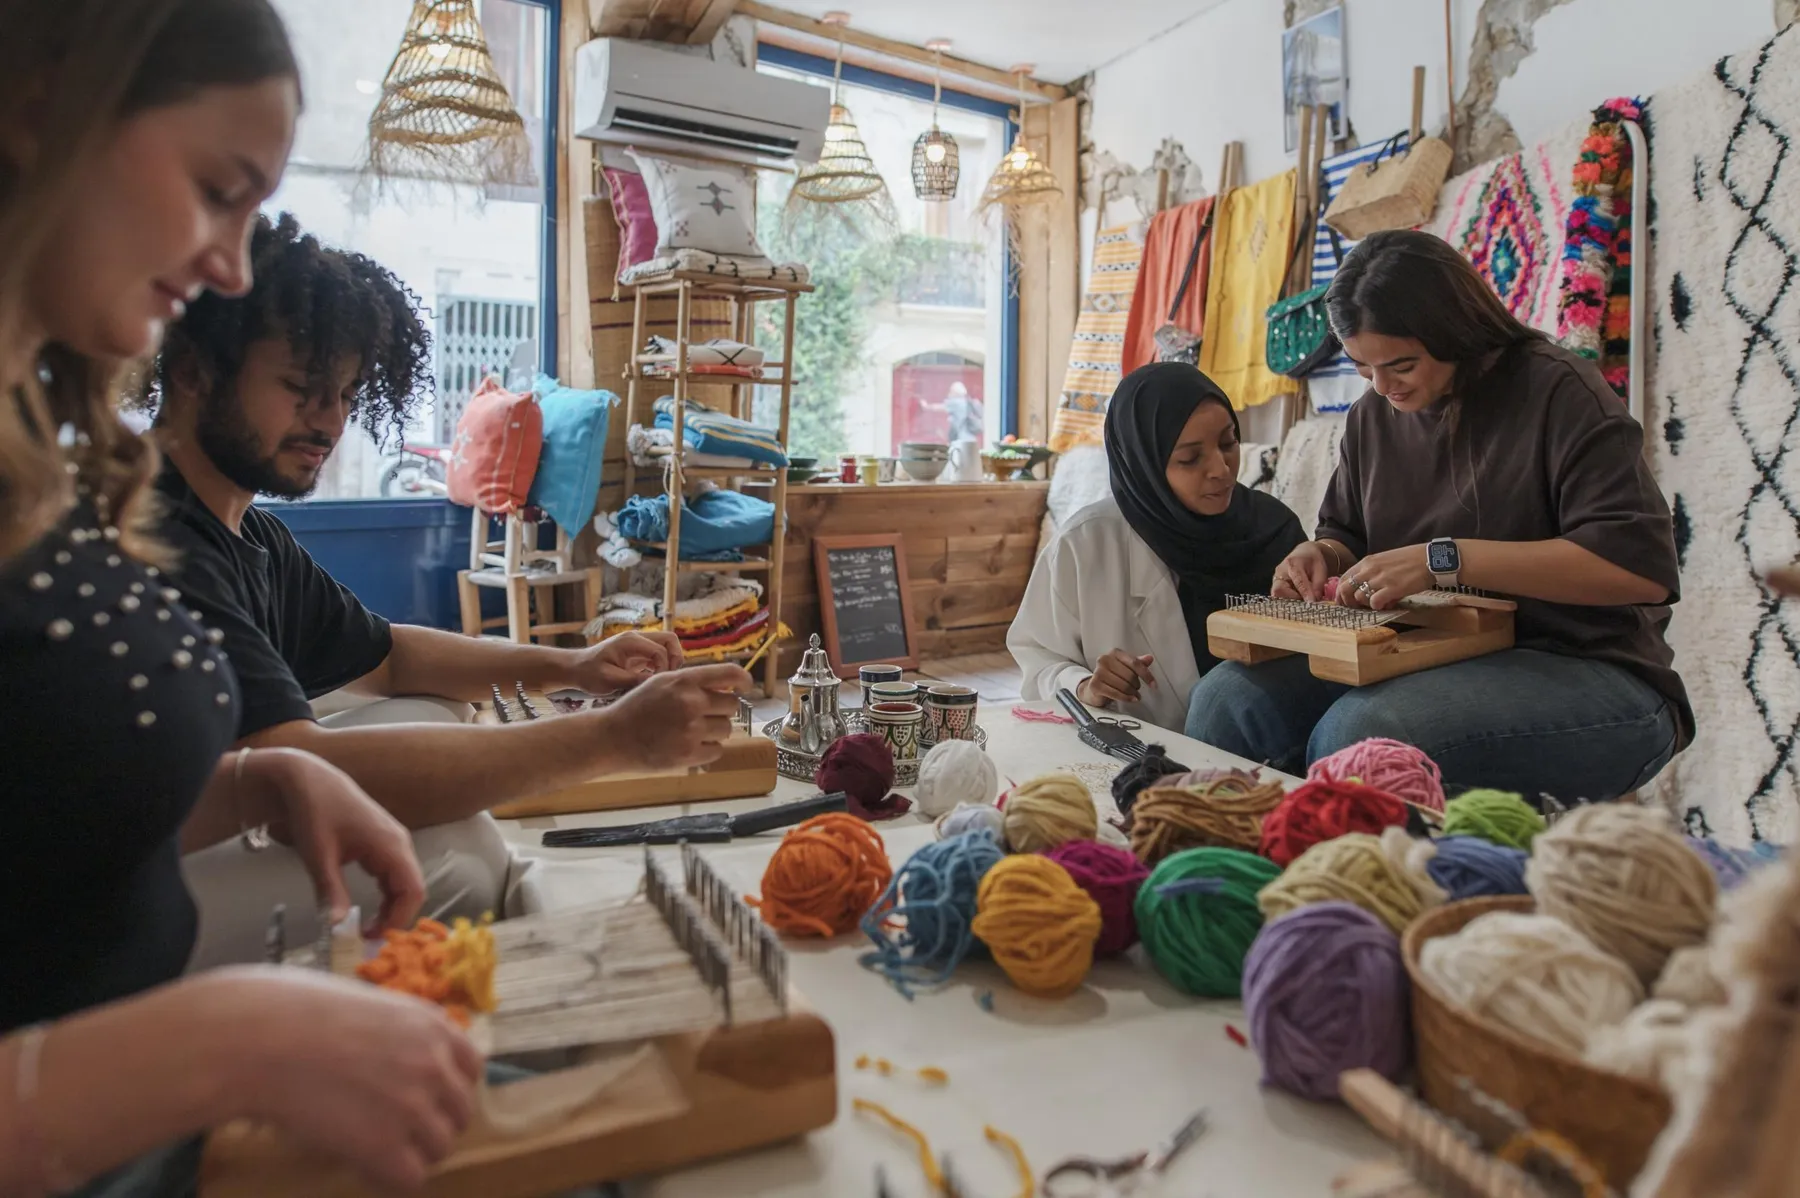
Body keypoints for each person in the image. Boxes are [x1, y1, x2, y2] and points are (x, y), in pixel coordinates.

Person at [0, 2, 481, 1193]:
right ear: (41, 109)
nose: (229, 262)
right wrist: (221, 1044)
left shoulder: (41, 470)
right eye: (220, 188)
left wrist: (255, 780)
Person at [142, 212, 752, 967]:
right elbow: (287, 765)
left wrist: (575, 666)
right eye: (301, 388)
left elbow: (391, 657)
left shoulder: (245, 532)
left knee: (430, 718)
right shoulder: (152, 532)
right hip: (110, 895)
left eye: (343, 394)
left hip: (193, 828)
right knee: (455, 868)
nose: (329, 421)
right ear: (194, 370)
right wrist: (613, 737)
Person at [1185, 230, 1690, 800]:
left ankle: (1355, 887)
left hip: (1592, 669)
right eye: (1361, 367)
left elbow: (1638, 570)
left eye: (1400, 364)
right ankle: (1230, 883)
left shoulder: (1558, 392)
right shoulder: (1373, 417)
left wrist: (1443, 561)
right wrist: (1320, 555)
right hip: (1435, 651)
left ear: (1455, 329)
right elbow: (1345, 534)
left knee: (1360, 735)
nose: (1381, 387)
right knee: (1227, 700)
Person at [1010, 363, 1306, 730]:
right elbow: (1038, 657)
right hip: (1136, 760)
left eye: (1228, 443)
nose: (1222, 469)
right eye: (1189, 458)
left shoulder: (1275, 532)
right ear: (1142, 463)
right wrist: (1085, 685)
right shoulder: (1086, 545)